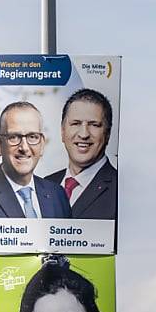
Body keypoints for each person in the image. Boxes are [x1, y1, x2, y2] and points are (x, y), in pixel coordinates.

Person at [0, 102, 72, 219]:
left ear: (42, 144)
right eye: (14, 137)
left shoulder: (58, 194)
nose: (24, 148)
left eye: (32, 137)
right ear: (0, 144)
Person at [46, 89, 117, 220]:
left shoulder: (121, 191)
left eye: (94, 125)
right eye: (76, 123)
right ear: (63, 131)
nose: (84, 134)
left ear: (107, 134)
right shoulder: (45, 184)